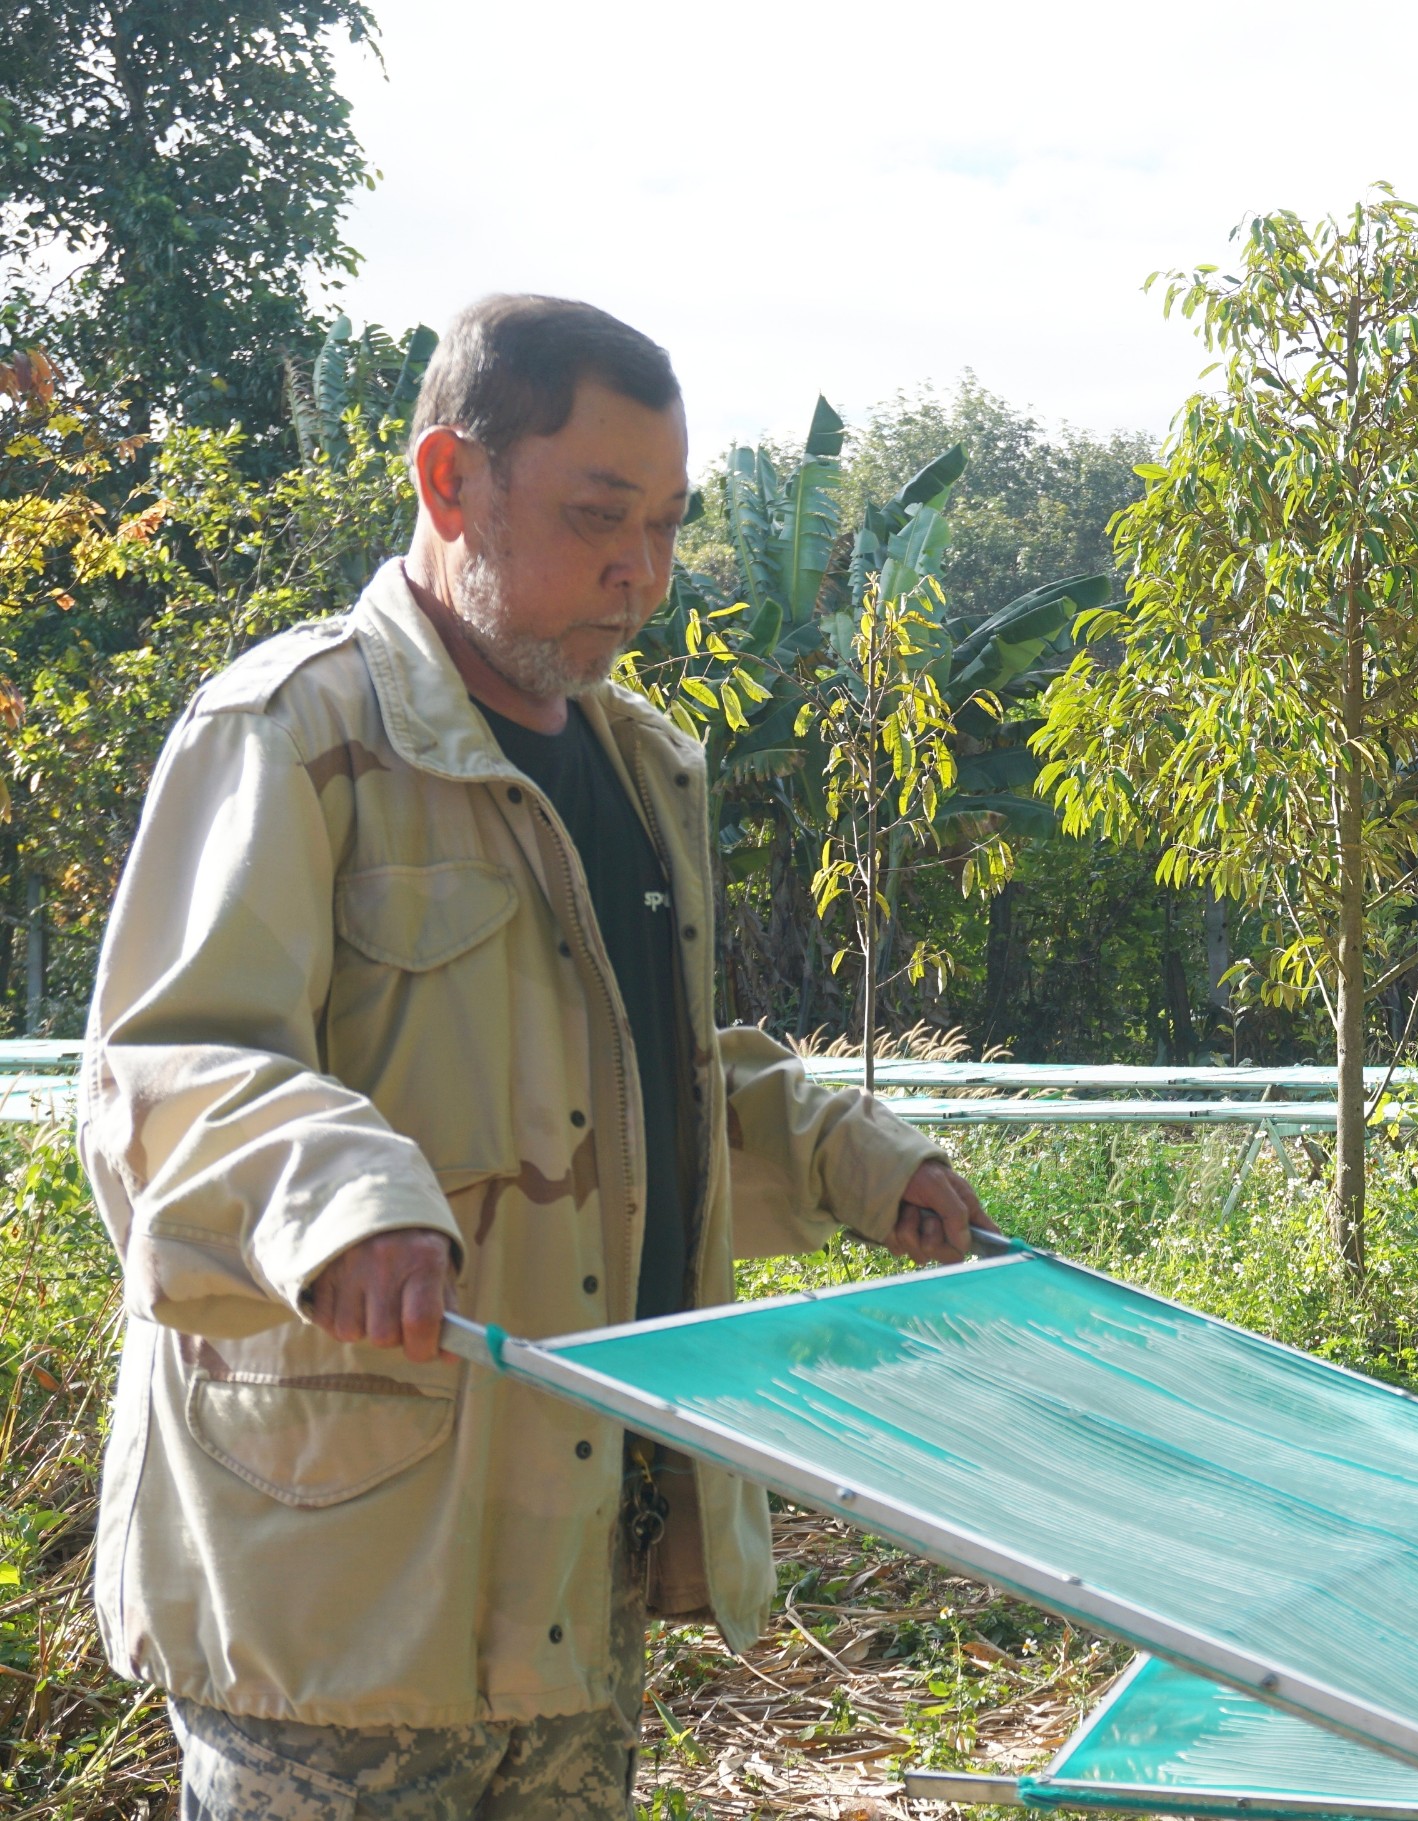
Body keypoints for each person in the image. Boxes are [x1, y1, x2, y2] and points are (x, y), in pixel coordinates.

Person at [76, 294, 995, 1819]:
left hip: (575, 1575)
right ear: (450, 483)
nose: (640, 568)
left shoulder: (641, 766)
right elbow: (162, 1073)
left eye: (665, 523)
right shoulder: (290, 735)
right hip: (342, 1598)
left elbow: (653, 1080)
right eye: (594, 516)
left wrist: (855, 1155)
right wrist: (343, 1193)